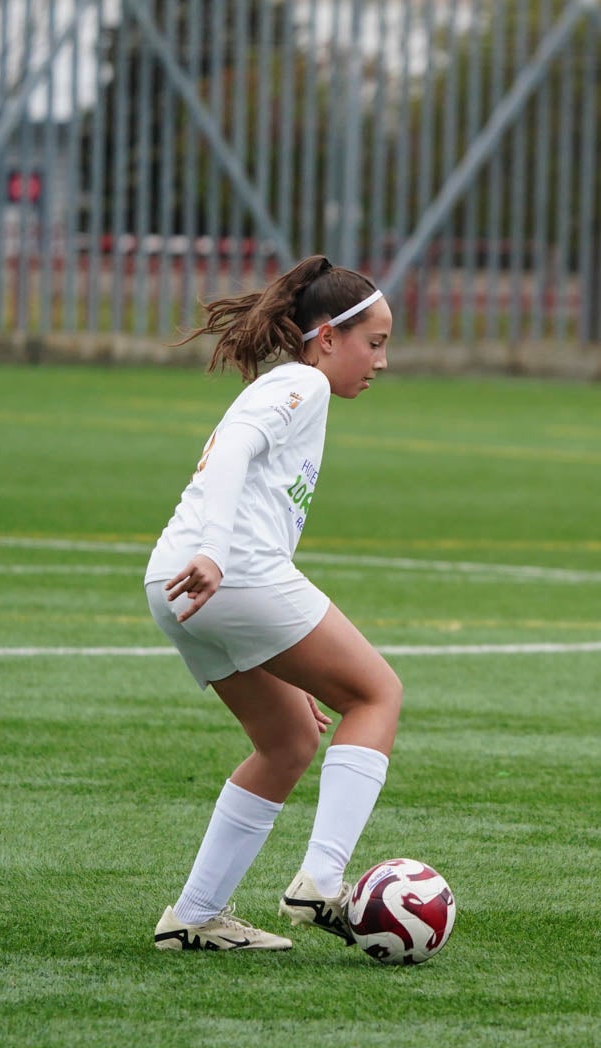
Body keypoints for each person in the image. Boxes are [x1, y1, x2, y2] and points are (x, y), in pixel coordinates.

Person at [144, 255, 401, 951]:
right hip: (224, 573)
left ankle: (195, 914)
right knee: (377, 694)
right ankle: (321, 879)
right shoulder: (301, 384)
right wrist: (218, 555)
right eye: (373, 343)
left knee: (288, 738)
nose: (381, 361)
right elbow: (232, 448)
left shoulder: (296, 386)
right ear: (326, 338)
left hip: (175, 584)